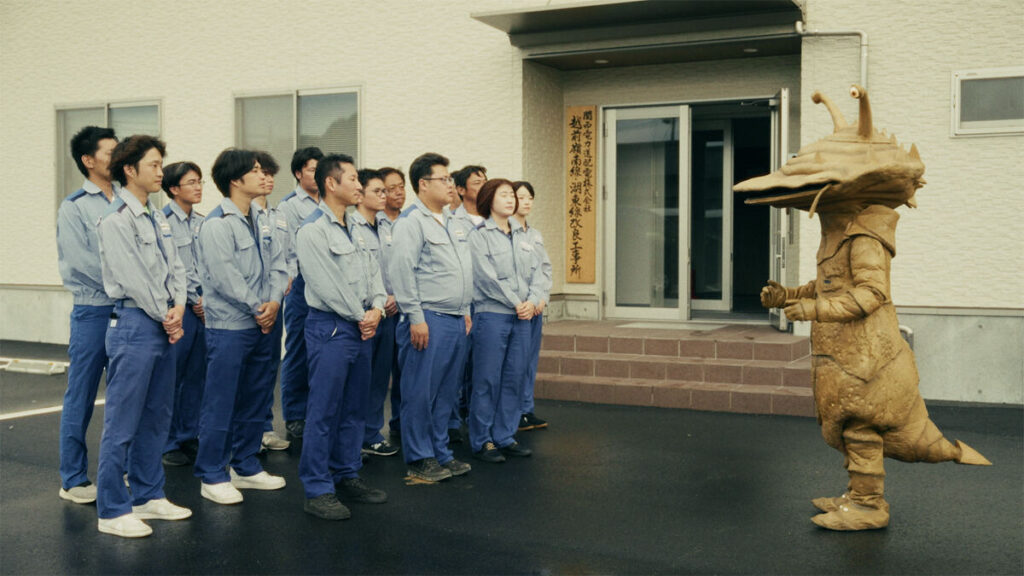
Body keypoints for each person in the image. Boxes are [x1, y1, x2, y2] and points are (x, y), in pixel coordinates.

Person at [95, 134, 191, 537]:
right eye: (153, 164)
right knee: (122, 421)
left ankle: (149, 494)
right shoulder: (116, 220)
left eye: (160, 164)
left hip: (163, 320)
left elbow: (177, 268)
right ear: (129, 170)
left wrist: (179, 306)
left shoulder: (157, 216)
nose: (160, 171)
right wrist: (167, 315)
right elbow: (133, 277)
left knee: (157, 416)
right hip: (135, 323)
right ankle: (112, 509)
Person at [296, 154, 388, 520]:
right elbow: (326, 284)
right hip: (332, 328)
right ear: (331, 184)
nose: (359, 186)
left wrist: (377, 309)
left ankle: (347, 473)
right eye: (352, 179)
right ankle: (318, 488)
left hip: (362, 325)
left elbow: (374, 275)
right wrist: (362, 316)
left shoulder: (357, 228)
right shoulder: (312, 231)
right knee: (324, 410)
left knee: (354, 407)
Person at [193, 149, 288, 505]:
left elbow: (279, 264)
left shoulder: (262, 219)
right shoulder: (217, 223)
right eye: (256, 171)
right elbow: (224, 276)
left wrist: (274, 302)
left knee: (256, 395)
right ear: (235, 180)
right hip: (231, 325)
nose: (264, 176)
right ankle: (212, 474)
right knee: (222, 400)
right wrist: (256, 306)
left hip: (263, 321)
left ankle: (245, 465)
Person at [388, 152, 473, 482]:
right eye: (444, 179)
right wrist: (415, 317)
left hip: (455, 318)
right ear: (423, 184)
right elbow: (402, 272)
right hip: (428, 318)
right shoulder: (411, 222)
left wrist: (465, 311)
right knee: (419, 392)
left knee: (446, 393)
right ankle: (420, 457)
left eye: (451, 178)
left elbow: (463, 270)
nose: (451, 184)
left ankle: (440, 452)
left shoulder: (452, 221)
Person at [56, 126, 118, 505]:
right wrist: (129, 284)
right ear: (88, 160)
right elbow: (82, 264)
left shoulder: (130, 200)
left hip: (129, 310)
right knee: (81, 395)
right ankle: (74, 479)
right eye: (110, 153)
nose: (119, 158)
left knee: (127, 396)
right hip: (93, 311)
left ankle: (121, 473)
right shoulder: (74, 207)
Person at [467, 178, 535, 462]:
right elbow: (486, 278)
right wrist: (517, 302)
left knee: (514, 377)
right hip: (493, 314)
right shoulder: (479, 235)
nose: (511, 200)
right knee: (487, 379)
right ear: (488, 200)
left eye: (512, 195)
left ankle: (505, 436)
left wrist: (534, 300)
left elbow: (539, 272)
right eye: (504, 195)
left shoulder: (523, 234)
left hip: (523, 316)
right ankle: (482, 440)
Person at [350, 169, 399, 457]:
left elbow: (397, 268)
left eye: (385, 191)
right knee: (358, 380)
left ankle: (371, 434)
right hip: (365, 314)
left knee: (380, 378)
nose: (384, 196)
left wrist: (395, 298)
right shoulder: (351, 226)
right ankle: (352, 438)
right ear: (360, 195)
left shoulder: (387, 226)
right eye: (377, 191)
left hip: (389, 312)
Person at [160, 162, 207, 466]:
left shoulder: (203, 222)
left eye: (200, 181)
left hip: (203, 307)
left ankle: (189, 434)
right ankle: (167, 442)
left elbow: (209, 264)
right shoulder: (162, 222)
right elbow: (172, 267)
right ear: (174, 189)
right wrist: (194, 299)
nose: (198, 187)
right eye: (191, 182)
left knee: (196, 375)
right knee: (171, 377)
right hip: (179, 308)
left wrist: (207, 299)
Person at [276, 147, 324, 439]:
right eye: (311, 170)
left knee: (322, 351)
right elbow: (287, 250)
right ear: (298, 173)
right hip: (301, 284)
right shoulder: (289, 206)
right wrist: (292, 279)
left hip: (327, 284)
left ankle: (316, 413)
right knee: (297, 348)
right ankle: (295, 415)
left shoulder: (329, 201)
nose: (317, 175)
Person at [252, 150, 292, 452]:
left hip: (275, 302)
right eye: (261, 173)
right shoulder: (239, 217)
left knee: (267, 370)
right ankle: (242, 434)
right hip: (249, 306)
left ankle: (264, 428)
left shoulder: (279, 216)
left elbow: (289, 256)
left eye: (270, 174)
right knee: (245, 373)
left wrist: (284, 283)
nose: (267, 179)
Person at [447, 165, 487, 442]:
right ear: (461, 189)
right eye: (477, 182)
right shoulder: (452, 221)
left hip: (489, 303)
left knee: (481, 366)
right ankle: (451, 422)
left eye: (485, 181)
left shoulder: (494, 219)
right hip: (464, 302)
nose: (483, 186)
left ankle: (476, 418)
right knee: (456, 366)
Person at [511, 181, 552, 431]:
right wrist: (526, 301)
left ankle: (526, 409)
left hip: (535, 307)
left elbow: (544, 268)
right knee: (515, 363)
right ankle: (513, 412)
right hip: (518, 308)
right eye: (520, 197)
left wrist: (541, 297)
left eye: (530, 197)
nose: (526, 202)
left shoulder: (535, 234)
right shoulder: (507, 232)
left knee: (529, 361)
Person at [379, 167, 406, 442]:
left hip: (405, 308)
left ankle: (401, 422)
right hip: (380, 309)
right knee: (377, 375)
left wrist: (400, 296)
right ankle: (371, 432)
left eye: (401, 187)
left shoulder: (410, 222)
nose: (399, 192)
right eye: (391, 188)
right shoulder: (370, 223)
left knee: (405, 372)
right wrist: (383, 297)